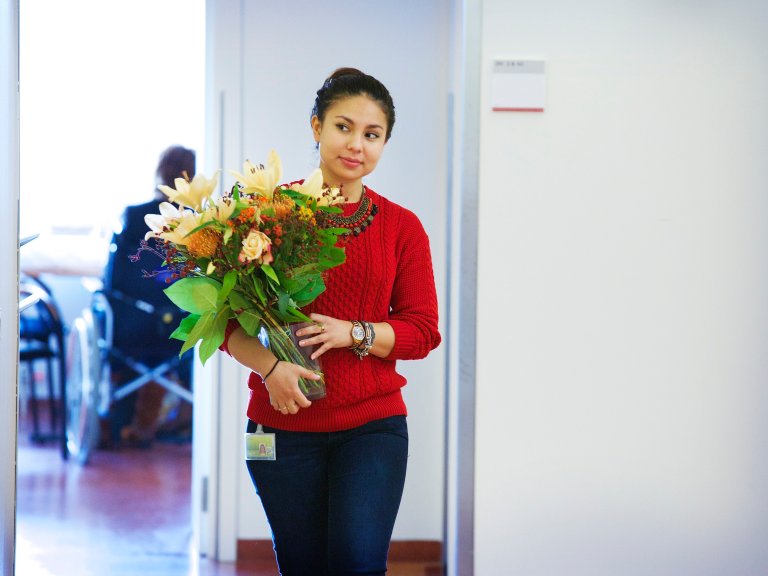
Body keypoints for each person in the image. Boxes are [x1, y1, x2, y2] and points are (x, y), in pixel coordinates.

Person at [219, 68, 441, 575]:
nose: (356, 145)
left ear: (384, 143)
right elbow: (228, 327)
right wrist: (272, 370)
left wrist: (354, 332)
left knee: (358, 564)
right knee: (302, 566)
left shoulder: (402, 228)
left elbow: (422, 330)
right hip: (282, 424)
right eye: (344, 127)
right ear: (316, 127)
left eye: (372, 134)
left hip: (372, 425)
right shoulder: (265, 213)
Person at [103, 145, 195, 447]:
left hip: (131, 328)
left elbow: (112, 280)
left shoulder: (132, 216)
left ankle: (124, 423)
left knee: (125, 337)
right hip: (180, 329)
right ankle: (184, 419)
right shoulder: (198, 222)